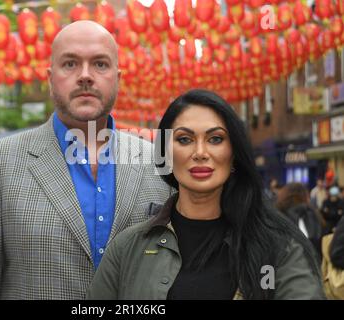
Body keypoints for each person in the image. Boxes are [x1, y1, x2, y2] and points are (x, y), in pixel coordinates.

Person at [0, 21, 172, 299]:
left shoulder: (159, 158)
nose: (85, 76)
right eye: (70, 64)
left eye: (100, 64)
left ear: (118, 77)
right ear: (49, 77)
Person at [86, 89, 324, 300]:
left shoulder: (280, 248)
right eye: (185, 139)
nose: (200, 152)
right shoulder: (128, 248)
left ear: (234, 155)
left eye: (215, 139)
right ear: (165, 155)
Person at [276, 183, 323, 260]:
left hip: (282, 263)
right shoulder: (310, 212)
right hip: (308, 263)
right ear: (305, 196)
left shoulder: (277, 213)